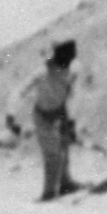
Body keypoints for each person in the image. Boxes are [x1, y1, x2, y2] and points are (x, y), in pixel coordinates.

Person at [28, 41, 79, 201]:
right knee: (53, 155)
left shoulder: (69, 72)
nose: (71, 61)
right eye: (69, 57)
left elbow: (69, 96)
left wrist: (69, 123)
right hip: (42, 116)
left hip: (59, 113)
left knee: (64, 147)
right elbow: (19, 91)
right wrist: (11, 117)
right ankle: (48, 193)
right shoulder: (42, 72)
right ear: (59, 56)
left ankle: (65, 184)